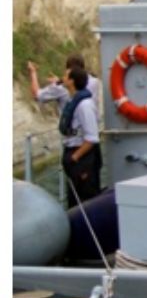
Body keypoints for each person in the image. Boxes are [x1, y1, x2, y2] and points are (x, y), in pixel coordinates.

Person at [59, 67, 101, 206]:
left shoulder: (84, 105)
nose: (63, 78)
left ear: (72, 81)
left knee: (85, 199)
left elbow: (92, 138)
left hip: (81, 158)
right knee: (74, 199)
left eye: (66, 76)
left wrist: (74, 158)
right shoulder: (73, 101)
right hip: (72, 152)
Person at [28, 53, 101, 119]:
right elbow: (76, 80)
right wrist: (61, 80)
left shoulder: (60, 88)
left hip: (71, 129)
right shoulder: (95, 82)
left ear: (69, 70)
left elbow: (37, 95)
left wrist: (33, 72)